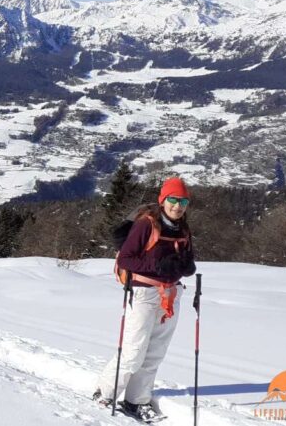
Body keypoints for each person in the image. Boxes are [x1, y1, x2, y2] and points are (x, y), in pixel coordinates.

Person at [92, 177, 197, 422]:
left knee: (155, 353)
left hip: (171, 295)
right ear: (163, 200)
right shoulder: (146, 224)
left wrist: (186, 266)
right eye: (173, 199)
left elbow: (186, 258)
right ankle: (104, 392)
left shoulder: (183, 229)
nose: (177, 206)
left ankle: (136, 401)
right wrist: (158, 265)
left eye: (183, 201)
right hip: (143, 292)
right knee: (134, 351)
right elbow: (126, 259)